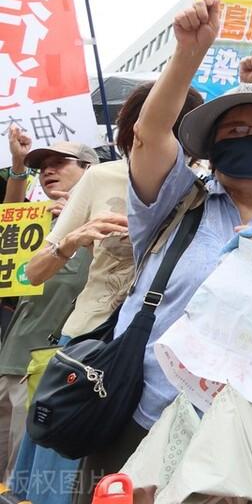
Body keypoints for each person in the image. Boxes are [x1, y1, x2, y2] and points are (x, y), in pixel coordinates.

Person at [75, 0, 252, 497]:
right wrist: (189, 53)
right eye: (236, 131)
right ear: (212, 147)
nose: (251, 137)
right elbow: (150, 132)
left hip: (247, 435)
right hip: (149, 414)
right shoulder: (175, 202)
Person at [7, 83, 203, 504]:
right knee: (60, 474)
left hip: (158, 359)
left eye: (176, 126)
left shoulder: (200, 190)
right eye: (155, 123)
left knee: (123, 482)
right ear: (135, 128)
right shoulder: (100, 177)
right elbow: (31, 271)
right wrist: (73, 239)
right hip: (89, 345)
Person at [0, 137, 97, 481]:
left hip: (52, 367)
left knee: (20, 472)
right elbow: (9, 228)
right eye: (42, 167)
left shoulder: (106, 220)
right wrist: (17, 166)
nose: (48, 171)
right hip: (10, 360)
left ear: (90, 170)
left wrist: (77, 223)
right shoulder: (39, 220)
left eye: (60, 163)